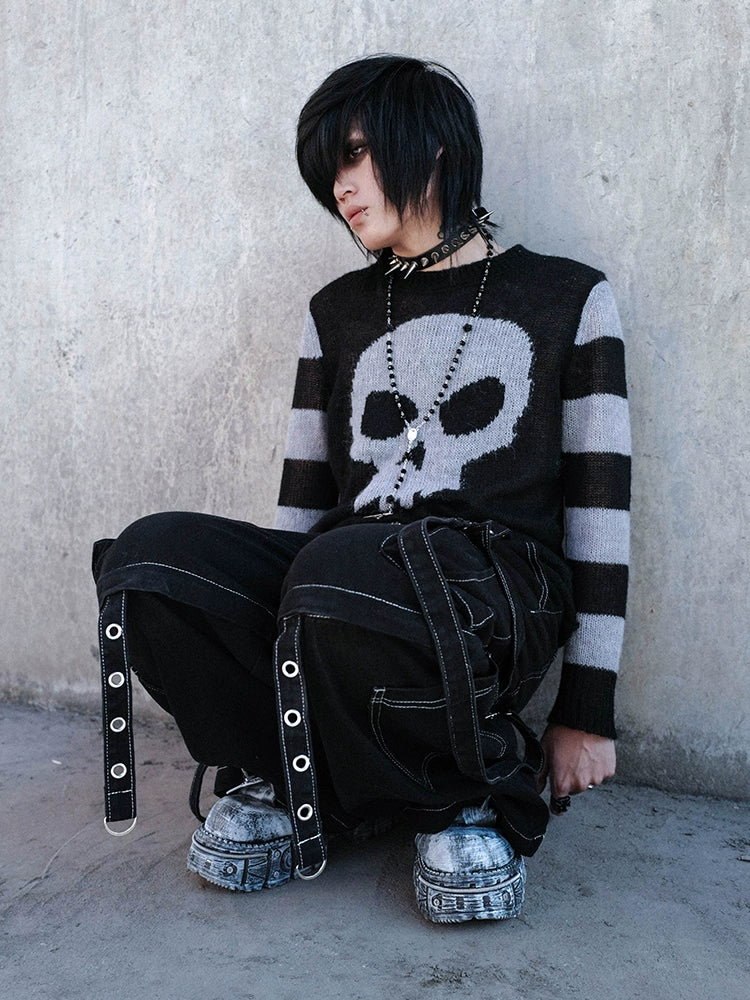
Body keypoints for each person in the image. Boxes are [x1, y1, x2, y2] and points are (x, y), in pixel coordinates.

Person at [93, 55, 629, 923]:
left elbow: (602, 514)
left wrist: (587, 712)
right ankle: (291, 767)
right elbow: (302, 512)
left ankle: (464, 788)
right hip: (343, 580)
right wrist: (267, 598)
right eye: (327, 171)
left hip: (490, 591)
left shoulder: (569, 297)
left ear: (434, 146)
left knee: (345, 566)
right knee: (151, 560)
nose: (338, 188)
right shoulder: (336, 310)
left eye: (353, 156)